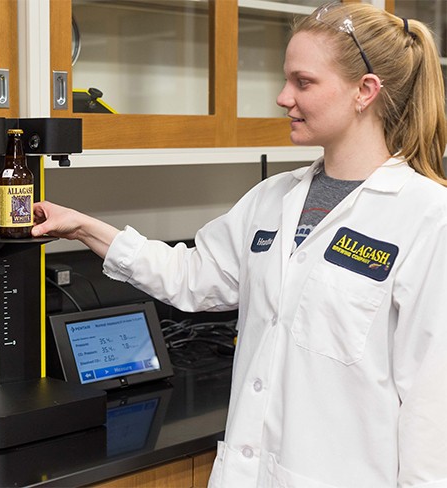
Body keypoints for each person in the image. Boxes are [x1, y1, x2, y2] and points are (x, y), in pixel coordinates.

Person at [32, 2, 447, 486]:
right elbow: (192, 277)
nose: (281, 96)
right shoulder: (274, 198)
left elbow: (431, 405)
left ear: (365, 91)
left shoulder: (425, 217)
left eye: (302, 82)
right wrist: (85, 228)